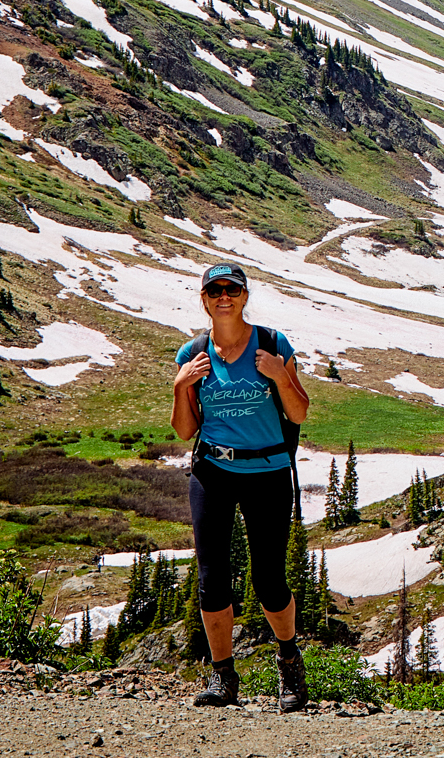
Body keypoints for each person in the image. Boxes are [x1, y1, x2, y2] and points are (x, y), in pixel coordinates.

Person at [171, 262, 313, 712]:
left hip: (268, 472)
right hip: (212, 472)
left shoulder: (273, 345)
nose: (224, 296)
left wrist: (279, 374)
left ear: (245, 296)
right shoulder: (191, 354)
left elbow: (300, 412)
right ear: (204, 298)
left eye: (232, 289)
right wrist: (179, 387)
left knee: (269, 580)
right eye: (215, 290)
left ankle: (289, 661)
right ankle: (223, 676)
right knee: (212, 581)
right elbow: (184, 428)